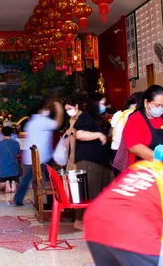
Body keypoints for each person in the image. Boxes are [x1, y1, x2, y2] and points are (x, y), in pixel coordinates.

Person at [64, 95, 108, 230]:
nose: (104, 105)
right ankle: (81, 221)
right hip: (88, 159)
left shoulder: (91, 118)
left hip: (97, 159)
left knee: (95, 190)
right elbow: (80, 135)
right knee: (89, 191)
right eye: (101, 103)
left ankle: (92, 220)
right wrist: (99, 135)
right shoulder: (84, 117)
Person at [13, 99, 63, 206]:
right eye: (46, 109)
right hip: (42, 157)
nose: (48, 111)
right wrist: (60, 110)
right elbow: (57, 124)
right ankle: (51, 201)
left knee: (29, 178)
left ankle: (18, 198)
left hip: (34, 156)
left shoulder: (31, 122)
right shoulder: (42, 120)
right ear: (41, 110)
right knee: (49, 179)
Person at [123, 85, 163, 167]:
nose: (160, 108)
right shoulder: (135, 119)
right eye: (157, 105)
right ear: (146, 102)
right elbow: (134, 147)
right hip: (145, 169)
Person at [110, 92, 142, 166]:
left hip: (115, 150)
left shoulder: (117, 114)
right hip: (127, 152)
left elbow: (112, 131)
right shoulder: (136, 115)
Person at [0, 126, 21, 193]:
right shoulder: (16, 143)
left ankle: (5, 184)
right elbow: (18, 155)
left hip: (3, 172)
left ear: (2, 134)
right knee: (17, 182)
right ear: (11, 133)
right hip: (14, 171)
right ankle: (13, 184)